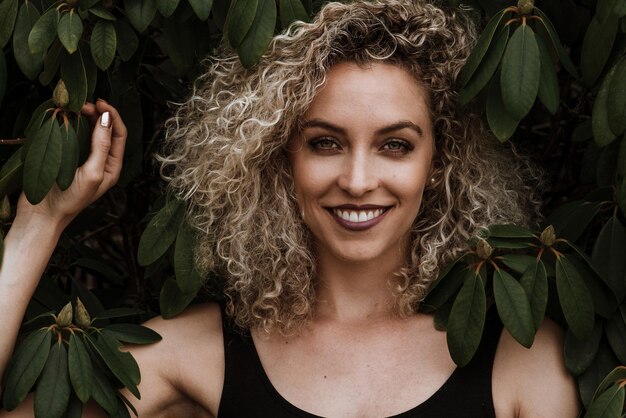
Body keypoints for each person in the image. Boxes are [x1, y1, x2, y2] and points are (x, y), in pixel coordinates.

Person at [0, 1, 580, 417]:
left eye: (395, 145)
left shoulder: (521, 357)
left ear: (440, 162)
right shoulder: (201, 352)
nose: (357, 180)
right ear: (279, 159)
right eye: (324, 142)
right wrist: (38, 225)